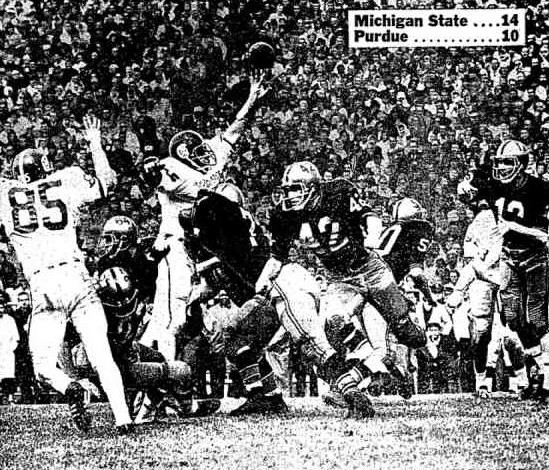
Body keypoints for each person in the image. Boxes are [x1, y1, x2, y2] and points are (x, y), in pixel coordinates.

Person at [0, 116, 133, 434]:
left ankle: (70, 387)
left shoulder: (5, 194)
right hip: (76, 276)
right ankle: (123, 418)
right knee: (101, 353)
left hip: (42, 284)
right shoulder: (66, 180)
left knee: (44, 368)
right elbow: (107, 184)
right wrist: (95, 143)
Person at [262, 161, 426, 416]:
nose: (290, 196)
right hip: (339, 278)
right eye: (287, 190)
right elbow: (277, 257)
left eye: (296, 189)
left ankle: (402, 341)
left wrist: (372, 236)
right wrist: (262, 281)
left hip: (371, 268)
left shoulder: (338, 193)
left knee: (410, 334)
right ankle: (372, 359)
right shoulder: (285, 215)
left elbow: (368, 216)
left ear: (313, 188)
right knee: (332, 321)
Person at [140, 74, 269, 360]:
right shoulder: (173, 167)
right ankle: (165, 380)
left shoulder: (209, 159)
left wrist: (251, 99)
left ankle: (151, 377)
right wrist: (149, 161)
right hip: (176, 247)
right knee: (174, 319)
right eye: (196, 152)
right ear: (182, 155)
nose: (205, 155)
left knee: (168, 317)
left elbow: (235, 129)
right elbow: (154, 176)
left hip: (203, 249)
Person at [460, 139, 549, 401]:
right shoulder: (496, 185)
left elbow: (545, 236)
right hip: (510, 258)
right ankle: (538, 373)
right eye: (499, 162)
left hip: (536, 258)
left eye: (508, 162)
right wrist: (467, 186)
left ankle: (544, 378)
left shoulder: (540, 190)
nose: (502, 167)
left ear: (522, 164)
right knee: (513, 319)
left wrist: (514, 227)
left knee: (538, 321)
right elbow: (469, 189)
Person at [0, 291, 19, 404]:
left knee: (7, 375)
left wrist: (10, 348)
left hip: (7, 352)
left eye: (2, 307)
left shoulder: (10, 320)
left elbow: (15, 337)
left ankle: (9, 397)